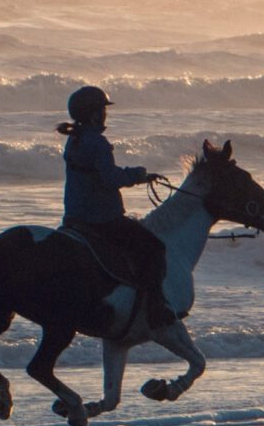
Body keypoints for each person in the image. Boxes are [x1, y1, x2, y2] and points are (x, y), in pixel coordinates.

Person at [57, 85, 175, 330]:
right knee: (154, 248)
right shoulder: (97, 143)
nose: (105, 114)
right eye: (102, 110)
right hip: (100, 218)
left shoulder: (74, 139)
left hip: (74, 215)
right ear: (94, 115)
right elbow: (110, 179)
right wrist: (138, 175)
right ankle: (155, 308)